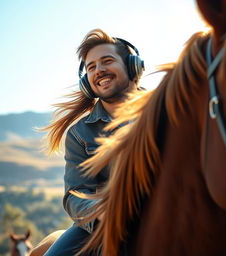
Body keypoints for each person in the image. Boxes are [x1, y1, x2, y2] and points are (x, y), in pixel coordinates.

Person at [30, 28, 144, 256]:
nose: (99, 70)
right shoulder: (79, 134)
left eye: (107, 61)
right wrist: (103, 214)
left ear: (133, 67)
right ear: (87, 81)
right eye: (91, 67)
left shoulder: (169, 112)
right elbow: (75, 193)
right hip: (101, 223)